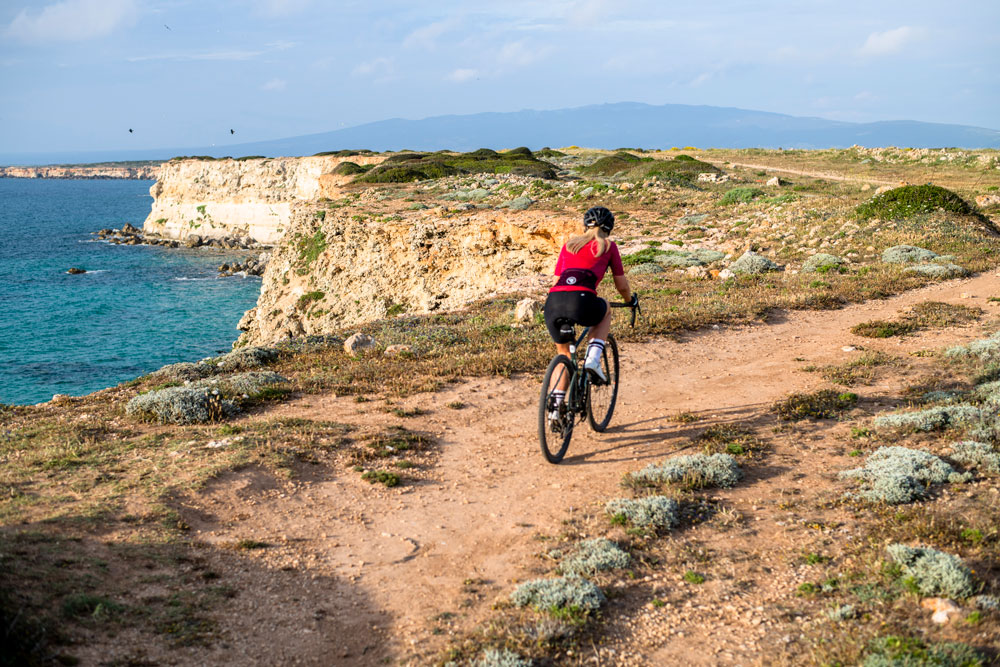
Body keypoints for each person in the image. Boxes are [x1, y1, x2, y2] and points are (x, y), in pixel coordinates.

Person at [543, 206, 635, 408]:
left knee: (563, 354)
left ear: (585, 224)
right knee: (605, 308)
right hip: (582, 300)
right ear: (609, 227)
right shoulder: (609, 246)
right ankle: (593, 358)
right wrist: (629, 301)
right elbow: (621, 285)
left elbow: (557, 279)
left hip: (553, 303)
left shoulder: (569, 245)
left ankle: (556, 407)